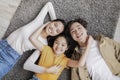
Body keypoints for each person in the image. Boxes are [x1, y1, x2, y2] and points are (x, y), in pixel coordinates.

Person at [0, 2, 65, 79]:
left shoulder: (44, 45)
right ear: (52, 22)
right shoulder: (38, 21)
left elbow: (27, 65)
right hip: (2, 43)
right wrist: (49, 23)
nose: (53, 29)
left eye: (57, 31)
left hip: (9, 57)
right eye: (55, 25)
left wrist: (46, 70)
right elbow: (49, 5)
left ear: (55, 35)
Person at [23, 20, 93, 80]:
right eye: (57, 43)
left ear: (67, 48)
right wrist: (45, 25)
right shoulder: (46, 49)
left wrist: (88, 45)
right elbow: (32, 38)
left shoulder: (65, 60)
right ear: (53, 43)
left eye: (63, 45)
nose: (59, 46)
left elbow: (80, 64)